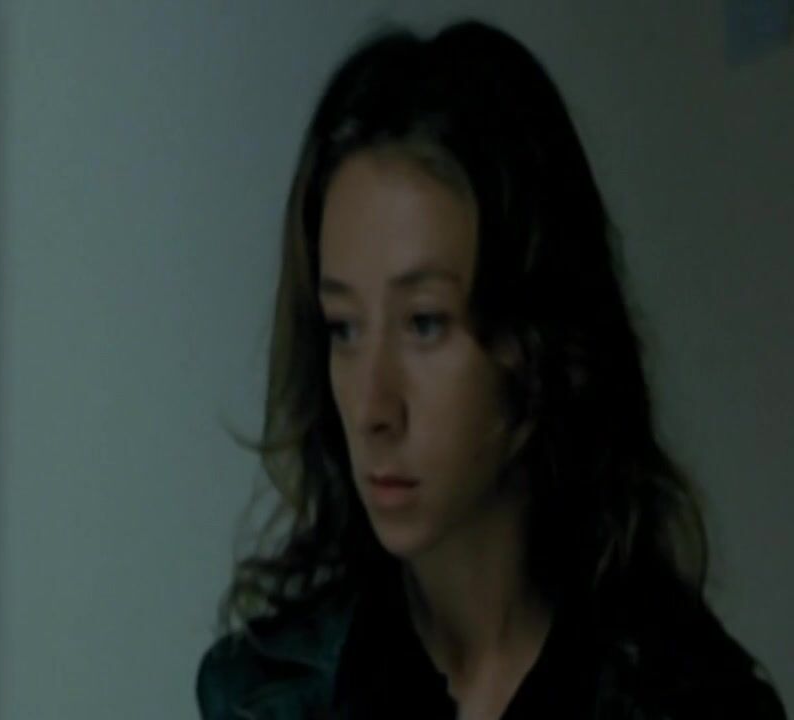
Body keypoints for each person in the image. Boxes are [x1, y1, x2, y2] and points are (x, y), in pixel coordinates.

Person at [194, 18, 786, 720]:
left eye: (425, 323)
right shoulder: (263, 698)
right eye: (344, 328)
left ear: (538, 340)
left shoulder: (696, 704)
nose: (373, 407)